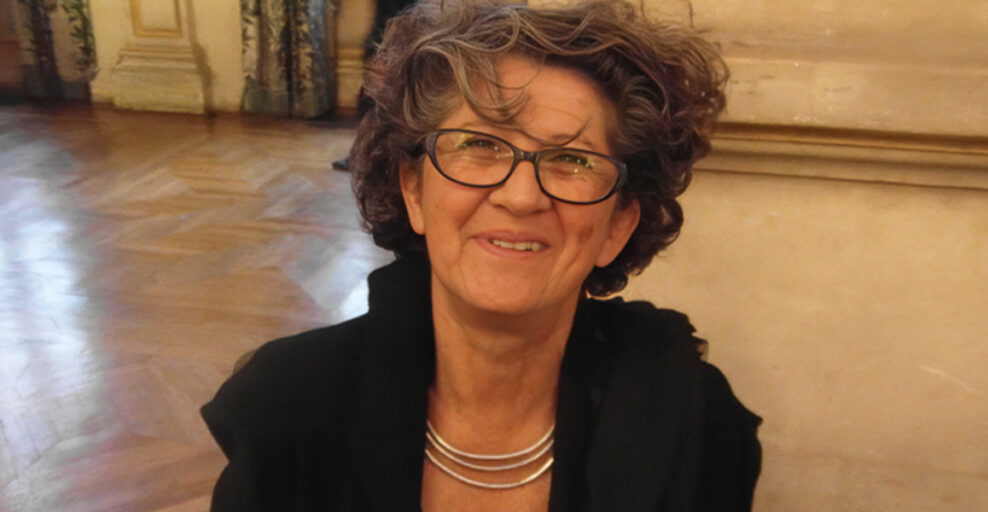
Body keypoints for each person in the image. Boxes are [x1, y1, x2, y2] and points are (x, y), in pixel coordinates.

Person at [201, 1, 762, 511]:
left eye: (572, 160)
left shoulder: (694, 423)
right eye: (481, 145)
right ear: (414, 191)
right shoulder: (288, 409)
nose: (521, 197)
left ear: (617, 225)